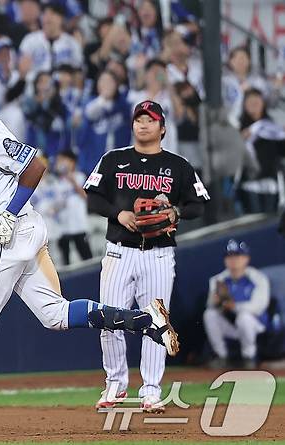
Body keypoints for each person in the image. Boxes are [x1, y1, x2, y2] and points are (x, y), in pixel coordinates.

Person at [0, 74, 178, 433]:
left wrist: (7, 213)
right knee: (55, 314)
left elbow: (35, 166)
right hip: (22, 232)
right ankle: (145, 322)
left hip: (8, 237)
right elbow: (1, 175)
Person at [85, 100, 209, 413]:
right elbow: (93, 196)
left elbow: (199, 204)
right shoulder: (114, 159)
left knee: (156, 321)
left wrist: (175, 211)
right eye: (139, 119)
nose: (143, 124)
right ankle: (115, 384)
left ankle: (151, 391)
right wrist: (118, 213)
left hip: (158, 255)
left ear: (162, 128)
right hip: (119, 251)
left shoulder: (178, 165)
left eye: (150, 120)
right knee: (108, 319)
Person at [203, 240, 270, 369]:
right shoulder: (218, 280)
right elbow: (210, 305)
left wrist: (235, 307)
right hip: (232, 325)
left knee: (244, 317)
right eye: (229, 256)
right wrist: (215, 302)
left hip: (256, 325)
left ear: (246, 258)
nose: (233, 260)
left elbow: (259, 307)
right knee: (209, 314)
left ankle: (248, 357)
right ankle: (222, 356)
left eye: (237, 256)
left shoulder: (258, 278)